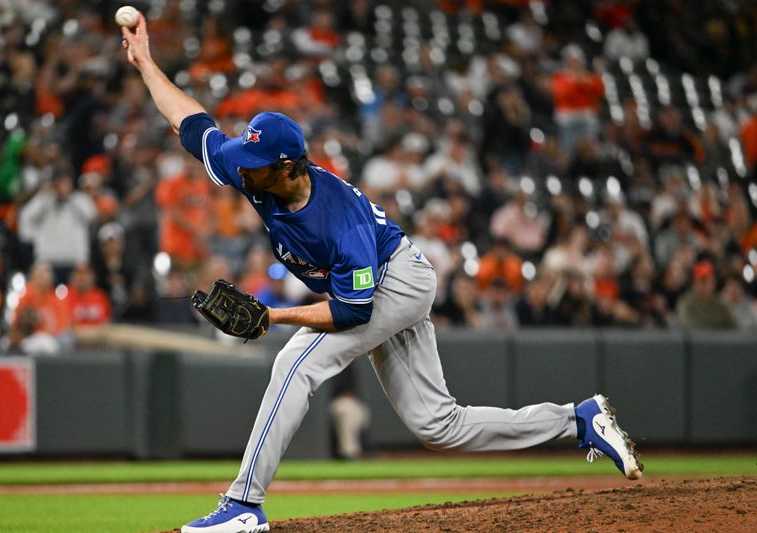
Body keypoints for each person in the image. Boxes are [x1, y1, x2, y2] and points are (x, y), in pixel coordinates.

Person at [121, 13, 643, 533]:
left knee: (295, 363)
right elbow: (192, 125)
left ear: (286, 167)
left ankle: (243, 506)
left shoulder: (334, 221)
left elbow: (354, 310)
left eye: (253, 159)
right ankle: (578, 418)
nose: (241, 165)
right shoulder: (259, 174)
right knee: (439, 425)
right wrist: (146, 62)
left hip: (396, 280)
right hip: (383, 280)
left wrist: (272, 315)